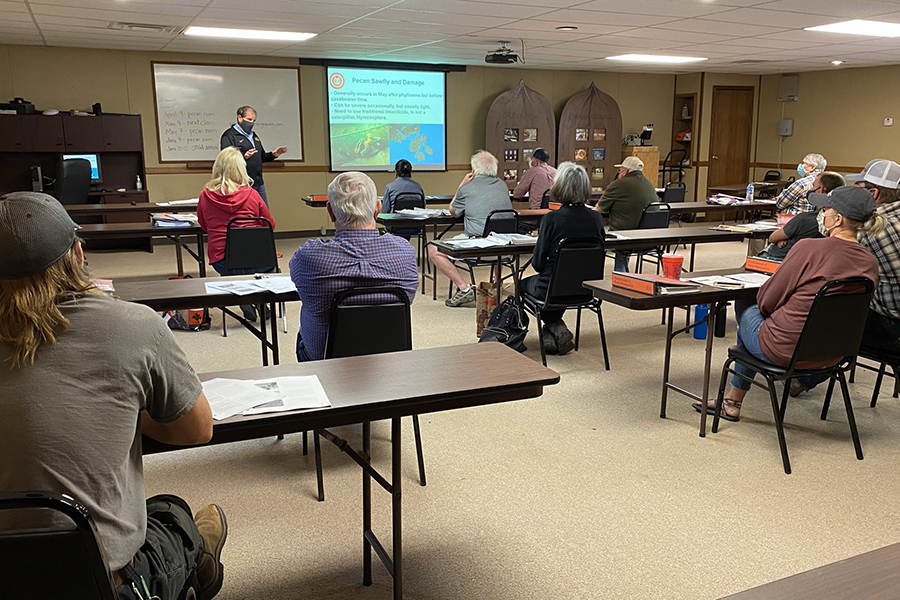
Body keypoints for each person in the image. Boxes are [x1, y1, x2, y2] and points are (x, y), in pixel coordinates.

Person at [0, 192, 226, 600]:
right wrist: (124, 411)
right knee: (172, 515)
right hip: (99, 582)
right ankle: (192, 568)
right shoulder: (134, 325)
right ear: (78, 252)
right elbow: (197, 429)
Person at [694, 186, 881, 420]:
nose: (821, 213)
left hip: (785, 350)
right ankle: (795, 381)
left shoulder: (809, 248)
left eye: (826, 209)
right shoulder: (870, 262)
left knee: (747, 308)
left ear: (838, 220)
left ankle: (732, 401)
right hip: (834, 354)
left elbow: (767, 301)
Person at [289, 172, 418, 362]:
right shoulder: (404, 252)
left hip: (326, 365)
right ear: (377, 209)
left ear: (330, 211)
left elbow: (297, 280)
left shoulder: (309, 257)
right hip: (388, 362)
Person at [520, 162, 605, 356]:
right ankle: (553, 331)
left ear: (559, 187)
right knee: (562, 284)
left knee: (521, 285)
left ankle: (551, 326)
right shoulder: (596, 218)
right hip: (585, 289)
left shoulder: (552, 219)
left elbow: (538, 264)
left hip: (551, 289)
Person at [197, 146, 276, 322]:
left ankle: (245, 299)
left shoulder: (205, 196)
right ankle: (258, 299)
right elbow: (269, 225)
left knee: (236, 268)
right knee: (255, 266)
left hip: (224, 262)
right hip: (258, 260)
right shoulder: (252, 195)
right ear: (241, 168)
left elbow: (203, 226)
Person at [426, 150, 514, 307]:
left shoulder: (467, 188)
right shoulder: (502, 185)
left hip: (477, 248)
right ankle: (497, 285)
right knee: (496, 236)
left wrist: (462, 184)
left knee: (433, 249)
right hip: (503, 248)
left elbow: (453, 211)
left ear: (473, 170)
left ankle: (464, 288)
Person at [759, 171, 844, 261]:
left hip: (778, 259)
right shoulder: (841, 221)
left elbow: (772, 238)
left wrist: (784, 235)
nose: (810, 189)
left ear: (821, 189)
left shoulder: (804, 219)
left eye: (813, 186)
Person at [594, 156, 657, 272]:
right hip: (650, 238)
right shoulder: (649, 184)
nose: (618, 173)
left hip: (626, 239)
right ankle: (620, 272)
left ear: (626, 171)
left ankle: (597, 276)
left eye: (620, 170)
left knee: (596, 242)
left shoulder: (618, 184)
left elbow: (599, 209)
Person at [220, 105, 287, 206]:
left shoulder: (254, 135)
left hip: (258, 182)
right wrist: (244, 156)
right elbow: (226, 159)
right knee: (247, 214)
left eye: (253, 120)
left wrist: (273, 155)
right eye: (249, 119)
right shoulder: (229, 135)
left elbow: (261, 157)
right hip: (240, 184)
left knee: (264, 215)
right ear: (239, 118)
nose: (251, 123)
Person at [382, 158, 426, 240]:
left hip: (395, 226)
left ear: (396, 172)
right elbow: (423, 208)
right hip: (416, 226)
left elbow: (385, 211)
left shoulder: (390, 187)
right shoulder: (418, 186)